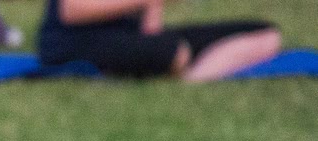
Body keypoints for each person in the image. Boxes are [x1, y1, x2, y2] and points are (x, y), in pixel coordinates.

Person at [36, 0, 280, 80]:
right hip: (74, 42)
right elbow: (71, 11)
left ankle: (193, 80)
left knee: (266, 35)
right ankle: (187, 69)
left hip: (126, 36)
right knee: (174, 51)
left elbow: (150, 30)